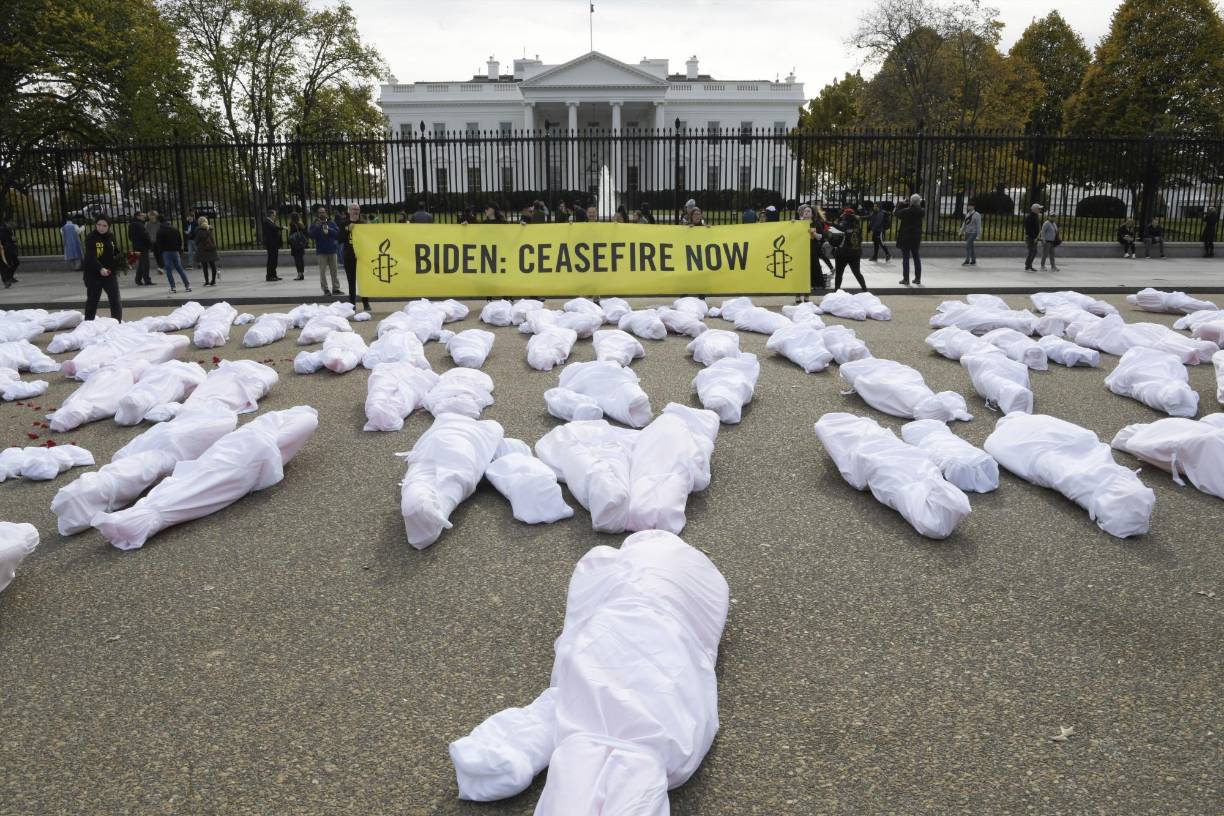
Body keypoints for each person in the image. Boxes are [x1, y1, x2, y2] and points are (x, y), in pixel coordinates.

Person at [81, 217, 123, 320]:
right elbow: (90, 256)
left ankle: (116, 322)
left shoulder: (111, 237)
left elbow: (115, 252)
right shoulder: (91, 237)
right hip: (93, 274)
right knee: (93, 300)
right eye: (99, 225)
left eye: (104, 225)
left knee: (115, 298)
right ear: (96, 225)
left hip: (109, 273)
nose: (101, 228)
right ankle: (88, 323)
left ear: (108, 227)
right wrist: (100, 268)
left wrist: (125, 259)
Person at [341, 202, 371, 312]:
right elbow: (339, 239)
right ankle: (352, 303)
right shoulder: (344, 223)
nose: (355, 211)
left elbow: (369, 238)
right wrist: (347, 230)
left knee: (363, 280)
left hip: (362, 256)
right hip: (349, 256)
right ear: (349, 211)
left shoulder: (363, 223)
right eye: (353, 209)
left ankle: (366, 302)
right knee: (351, 281)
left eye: (357, 209)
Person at [309, 206, 341, 295]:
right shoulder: (315, 224)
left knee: (334, 271)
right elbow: (311, 235)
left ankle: (336, 288)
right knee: (322, 272)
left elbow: (337, 233)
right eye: (320, 212)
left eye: (323, 212)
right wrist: (317, 227)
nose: (322, 214)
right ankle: (325, 289)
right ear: (317, 214)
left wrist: (329, 229)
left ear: (326, 213)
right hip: (321, 252)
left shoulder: (331, 222)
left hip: (332, 250)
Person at [833, 207, 867, 292]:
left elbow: (835, 239)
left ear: (845, 216)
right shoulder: (858, 226)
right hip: (855, 253)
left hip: (842, 254)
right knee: (857, 273)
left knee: (839, 274)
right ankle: (865, 290)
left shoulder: (842, 225)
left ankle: (836, 291)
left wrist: (832, 224)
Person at [155, 214, 191, 293]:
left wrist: (160, 252)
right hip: (175, 251)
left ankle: (173, 287)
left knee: (168, 270)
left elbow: (159, 244)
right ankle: (187, 286)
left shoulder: (160, 231)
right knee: (180, 269)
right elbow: (179, 240)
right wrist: (179, 249)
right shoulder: (174, 229)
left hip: (166, 252)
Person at [895, 194, 924, 285]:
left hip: (906, 237)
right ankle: (918, 278)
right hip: (916, 237)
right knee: (916, 258)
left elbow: (896, 213)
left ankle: (906, 279)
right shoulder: (921, 211)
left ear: (911, 201)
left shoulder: (906, 211)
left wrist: (901, 203)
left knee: (906, 258)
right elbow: (920, 207)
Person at [127, 211, 153, 285]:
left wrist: (135, 242)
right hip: (143, 246)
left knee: (141, 264)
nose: (144, 217)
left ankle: (138, 279)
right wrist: (150, 244)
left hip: (136, 246)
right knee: (145, 264)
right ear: (137, 216)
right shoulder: (140, 225)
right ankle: (147, 280)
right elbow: (145, 236)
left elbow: (130, 237)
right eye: (142, 215)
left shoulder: (131, 224)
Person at [195, 216, 220, 286]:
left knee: (205, 266)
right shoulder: (210, 229)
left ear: (199, 223)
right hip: (211, 249)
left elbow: (196, 241)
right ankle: (213, 281)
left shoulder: (199, 231)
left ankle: (207, 281)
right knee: (213, 265)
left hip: (203, 250)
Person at [260, 208, 282, 281]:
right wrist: (281, 228)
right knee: (271, 261)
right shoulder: (267, 222)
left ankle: (274, 275)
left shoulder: (271, 222)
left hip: (275, 245)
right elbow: (274, 228)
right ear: (271, 215)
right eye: (274, 215)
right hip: (271, 245)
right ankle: (269, 276)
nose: (275, 216)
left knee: (274, 261)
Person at [287, 212, 308, 280]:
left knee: (297, 260)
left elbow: (291, 236)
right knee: (301, 259)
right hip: (300, 244)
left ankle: (299, 274)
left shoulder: (293, 225)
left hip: (295, 245)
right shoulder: (301, 224)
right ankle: (301, 273)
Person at [0, 219, 20, 288]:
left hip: (10, 249)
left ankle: (9, 277)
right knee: (3, 265)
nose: (13, 223)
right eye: (12, 222)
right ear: (7, 222)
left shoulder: (9, 228)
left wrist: (13, 240)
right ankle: (6, 281)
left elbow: (9, 239)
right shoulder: (2, 229)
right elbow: (2, 239)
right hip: (4, 250)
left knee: (16, 262)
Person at [1023, 203, 1043, 271]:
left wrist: (1037, 237)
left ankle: (1029, 265)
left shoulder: (1035, 216)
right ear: (1034, 209)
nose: (1039, 210)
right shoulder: (1030, 217)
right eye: (1038, 209)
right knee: (1032, 251)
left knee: (1033, 251)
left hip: (1034, 237)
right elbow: (1029, 229)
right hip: (1031, 237)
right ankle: (1028, 265)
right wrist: (1034, 237)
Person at [145, 209, 163, 276]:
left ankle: (161, 267)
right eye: (150, 216)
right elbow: (146, 232)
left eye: (153, 215)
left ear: (156, 216)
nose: (152, 217)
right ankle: (160, 266)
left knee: (160, 254)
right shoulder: (147, 224)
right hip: (152, 241)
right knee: (156, 255)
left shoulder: (159, 223)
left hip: (159, 241)